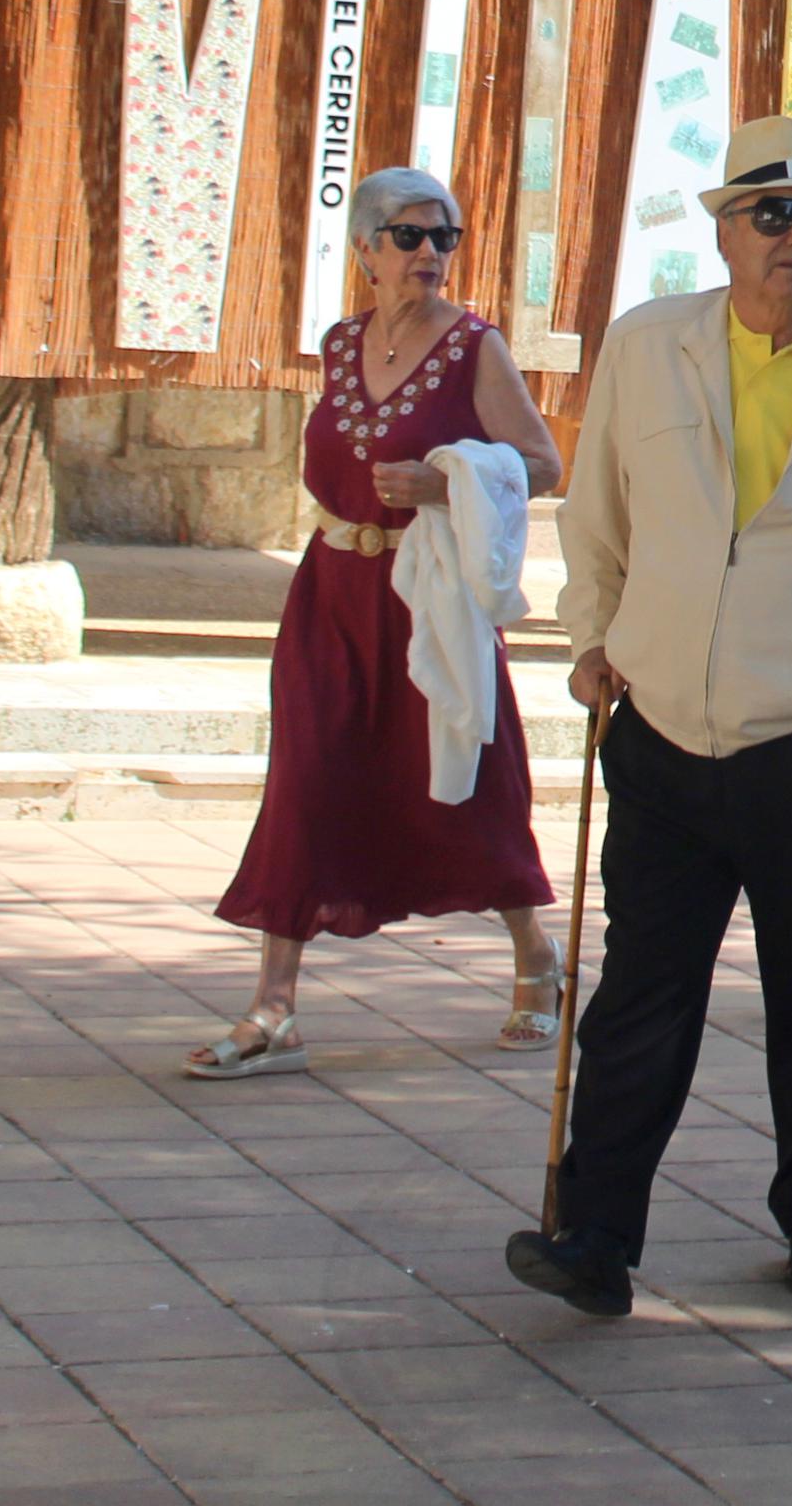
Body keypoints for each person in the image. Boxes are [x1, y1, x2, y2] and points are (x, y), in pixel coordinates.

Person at [505, 117, 792, 1319]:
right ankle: (595, 1232)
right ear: (722, 230)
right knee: (639, 997)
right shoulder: (645, 347)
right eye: (773, 214)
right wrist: (594, 637)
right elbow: (594, 511)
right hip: (662, 732)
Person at [189, 168, 567, 1082]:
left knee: (466, 776)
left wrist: (450, 483)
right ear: (364, 250)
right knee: (306, 777)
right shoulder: (337, 342)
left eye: (445, 236)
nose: (429, 253)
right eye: (408, 236)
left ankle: (537, 959)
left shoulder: (476, 346)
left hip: (423, 595)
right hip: (330, 591)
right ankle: (274, 1007)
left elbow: (544, 462)